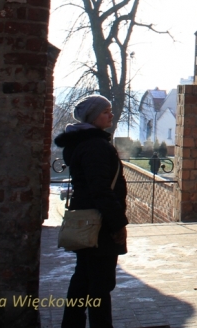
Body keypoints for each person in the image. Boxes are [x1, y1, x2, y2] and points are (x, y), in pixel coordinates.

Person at [54, 95, 128, 328]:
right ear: (93, 117)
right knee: (99, 285)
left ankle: (72, 323)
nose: (111, 114)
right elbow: (101, 190)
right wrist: (118, 224)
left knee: (83, 279)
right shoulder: (95, 146)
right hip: (99, 223)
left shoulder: (84, 142)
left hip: (89, 220)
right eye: (105, 111)